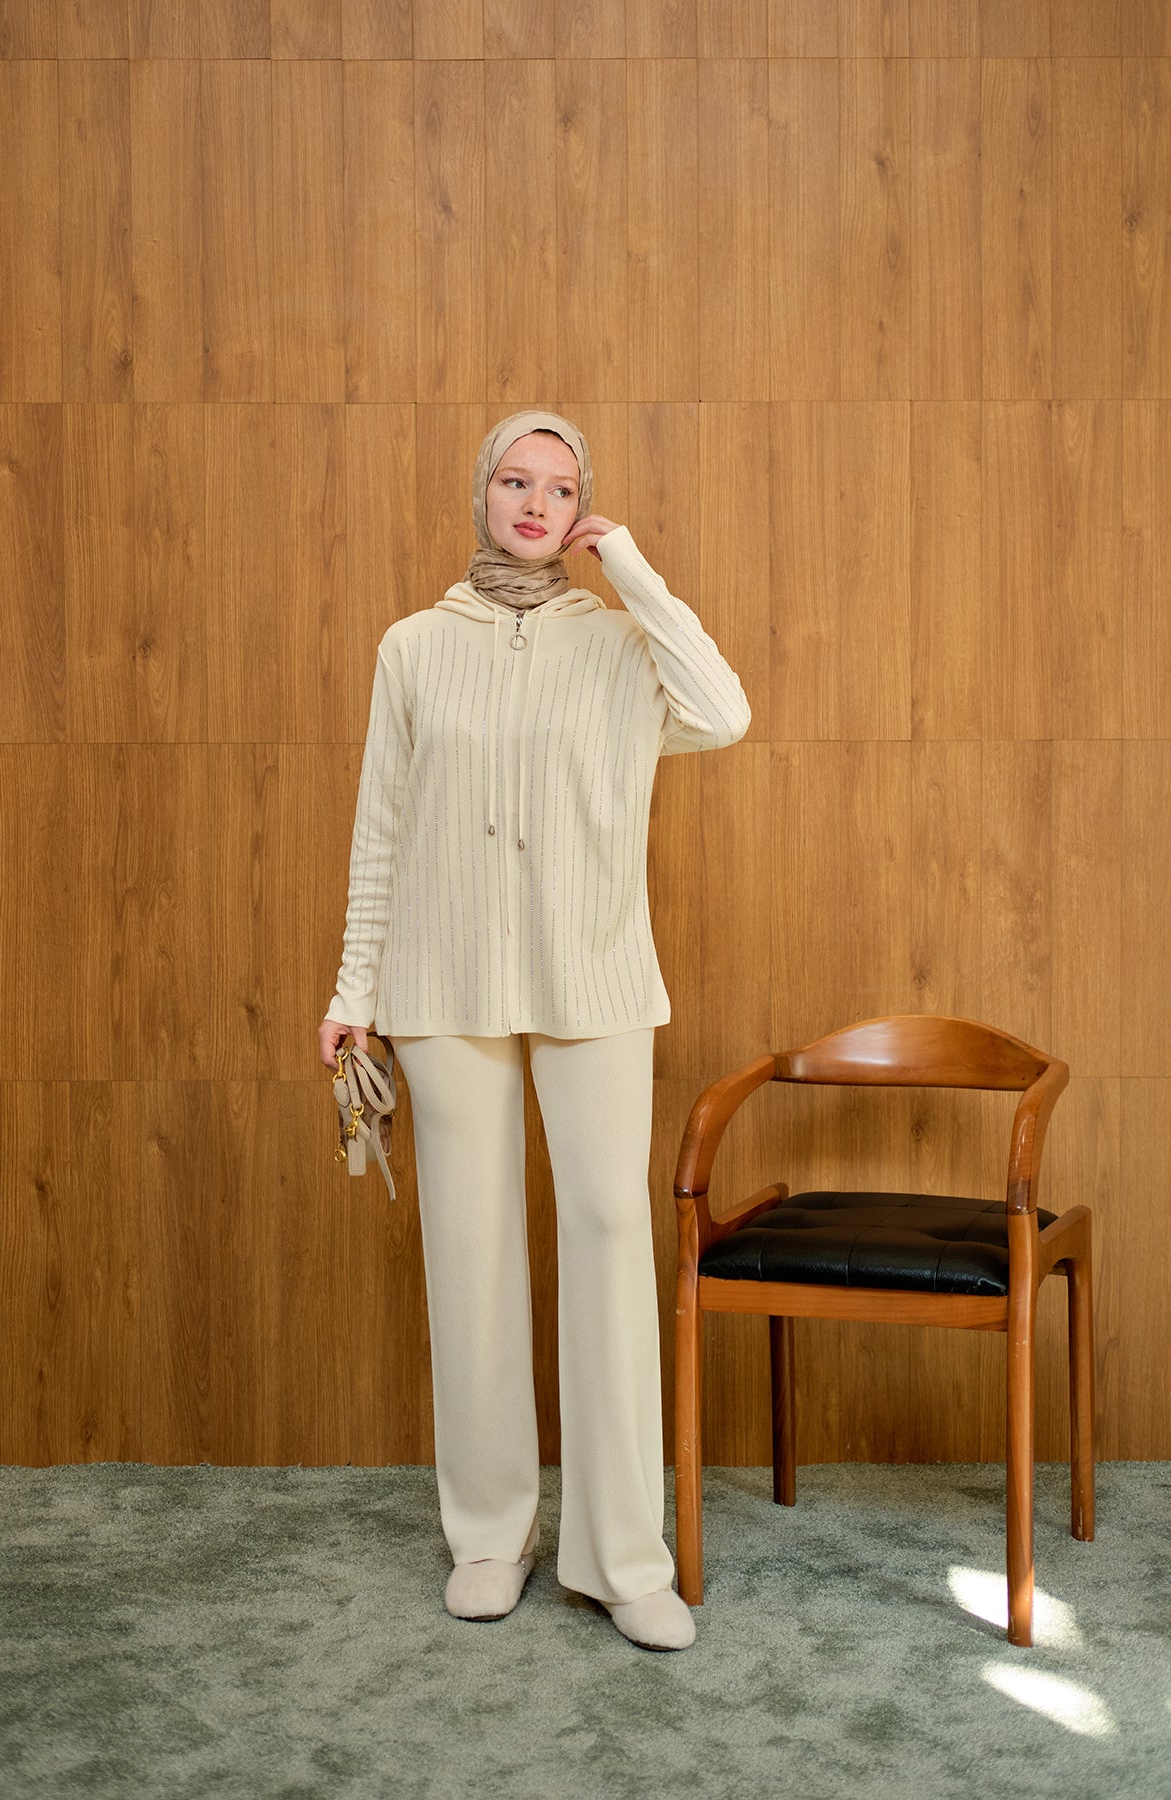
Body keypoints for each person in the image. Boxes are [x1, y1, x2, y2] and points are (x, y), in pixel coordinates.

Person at [318, 410, 751, 1651]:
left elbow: (722, 712)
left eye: (561, 489)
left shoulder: (619, 644)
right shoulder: (413, 647)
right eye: (516, 480)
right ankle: (489, 1538)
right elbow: (381, 829)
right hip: (442, 983)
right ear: (483, 492)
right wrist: (353, 992)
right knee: (471, 1251)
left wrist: (635, 571)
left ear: (580, 510)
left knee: (610, 1236)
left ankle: (622, 1558)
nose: (535, 503)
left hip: (594, 979)